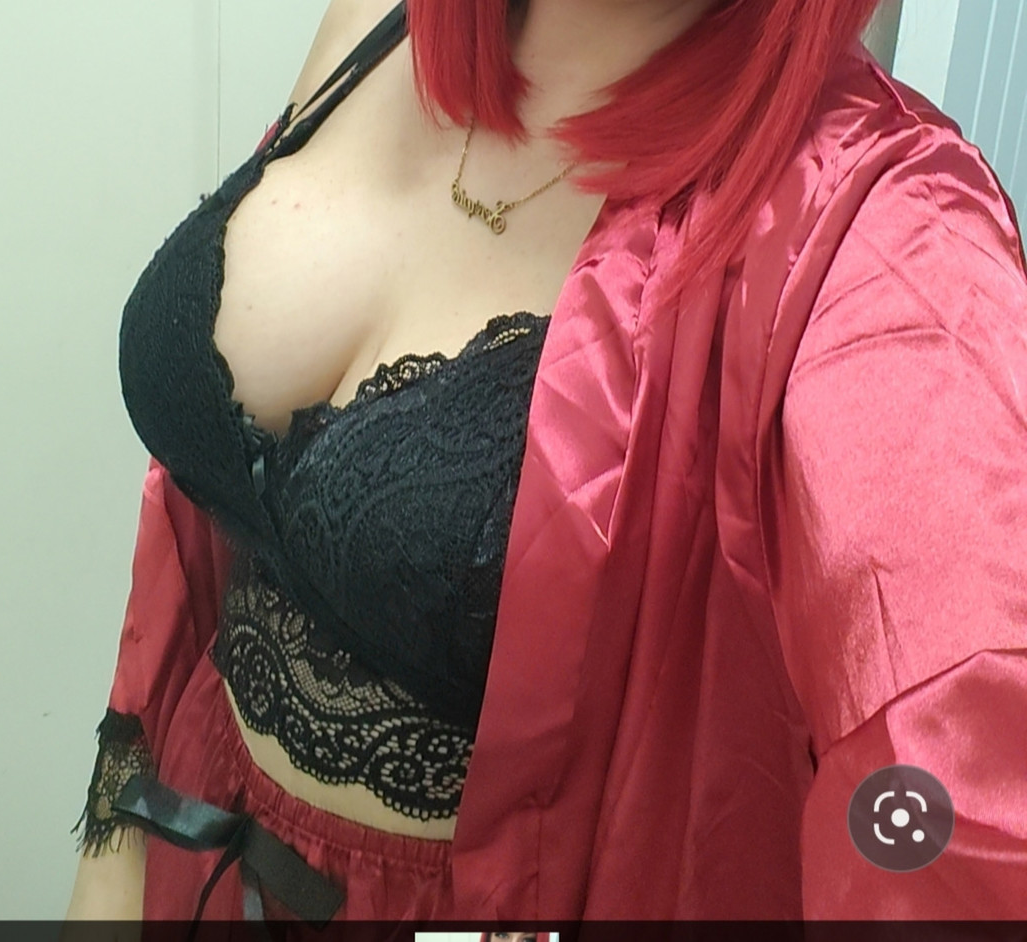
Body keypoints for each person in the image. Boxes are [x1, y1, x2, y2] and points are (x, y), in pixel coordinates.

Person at [65, 0, 1027, 926]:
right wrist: (112, 864)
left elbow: (968, 760)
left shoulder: (887, 233)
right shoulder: (377, 25)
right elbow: (197, 517)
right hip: (185, 849)